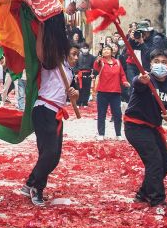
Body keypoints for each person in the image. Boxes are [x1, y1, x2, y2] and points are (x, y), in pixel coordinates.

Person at [21, 36, 79, 207]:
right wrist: (44, 33)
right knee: (50, 153)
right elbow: (41, 53)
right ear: (65, 53)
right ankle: (36, 188)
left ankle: (30, 184)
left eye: (78, 55)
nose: (76, 58)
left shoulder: (70, 72)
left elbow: (73, 95)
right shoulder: (53, 63)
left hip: (56, 114)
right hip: (44, 109)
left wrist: (75, 95)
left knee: (54, 156)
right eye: (73, 54)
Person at [123, 48, 167, 206]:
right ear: (150, 64)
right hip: (136, 126)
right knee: (154, 160)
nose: (160, 65)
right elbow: (137, 83)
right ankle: (157, 199)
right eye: (156, 62)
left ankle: (143, 193)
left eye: (164, 62)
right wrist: (141, 80)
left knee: (165, 161)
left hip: (153, 127)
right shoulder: (146, 79)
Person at [93, 43, 128, 140]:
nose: (106, 50)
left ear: (112, 52)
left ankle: (118, 134)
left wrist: (124, 81)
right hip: (102, 92)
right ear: (102, 52)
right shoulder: (101, 62)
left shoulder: (118, 62)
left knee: (117, 114)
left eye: (108, 49)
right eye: (104, 49)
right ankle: (101, 134)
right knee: (101, 114)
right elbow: (96, 67)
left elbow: (122, 74)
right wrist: (97, 60)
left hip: (115, 92)